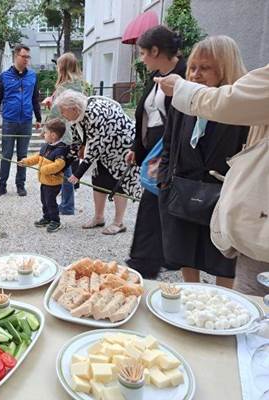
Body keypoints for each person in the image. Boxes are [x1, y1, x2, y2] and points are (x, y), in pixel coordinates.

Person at [156, 51, 269, 297]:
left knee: (222, 257)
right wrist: (164, 179)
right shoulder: (184, 102)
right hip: (183, 188)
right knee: (185, 249)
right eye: (192, 68)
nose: (195, 74)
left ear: (225, 68)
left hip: (220, 193)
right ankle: (191, 293)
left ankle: (222, 299)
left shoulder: (243, 107)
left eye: (205, 68)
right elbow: (169, 142)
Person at [123, 26, 187, 279]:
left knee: (153, 203)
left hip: (170, 151)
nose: (141, 58)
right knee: (157, 203)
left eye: (142, 53)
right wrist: (136, 149)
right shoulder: (157, 76)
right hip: (154, 149)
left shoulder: (183, 74)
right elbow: (146, 116)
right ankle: (163, 257)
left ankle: (144, 261)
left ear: (156, 50)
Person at [55, 90, 142, 234]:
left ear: (74, 109)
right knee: (99, 180)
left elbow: (94, 149)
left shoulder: (96, 113)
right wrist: (62, 165)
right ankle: (99, 217)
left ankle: (118, 223)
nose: (62, 115)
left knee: (119, 183)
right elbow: (76, 145)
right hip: (104, 149)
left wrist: (77, 175)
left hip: (122, 148)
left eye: (63, 111)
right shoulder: (77, 117)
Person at [0, 44, 42, 198]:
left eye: (28, 57)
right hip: (9, 122)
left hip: (26, 121)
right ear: (16, 56)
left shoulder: (32, 76)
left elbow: (35, 99)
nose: (26, 60)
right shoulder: (5, 76)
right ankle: (2, 185)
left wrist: (38, 118)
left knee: (22, 155)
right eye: (24, 56)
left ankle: (20, 185)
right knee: (6, 154)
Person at [42, 52, 86, 216]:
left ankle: (67, 205)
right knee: (67, 169)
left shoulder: (63, 87)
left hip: (62, 135)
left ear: (63, 67)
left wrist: (46, 130)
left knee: (64, 170)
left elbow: (56, 112)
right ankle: (67, 203)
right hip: (75, 133)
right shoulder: (80, 85)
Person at [19, 118, 68, 233]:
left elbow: (59, 165)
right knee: (44, 200)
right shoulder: (46, 146)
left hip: (53, 182)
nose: (43, 134)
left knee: (50, 201)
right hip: (44, 181)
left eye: (45, 132)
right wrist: (26, 162)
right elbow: (37, 157)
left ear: (53, 135)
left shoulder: (61, 149)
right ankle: (47, 218)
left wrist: (43, 169)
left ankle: (56, 221)